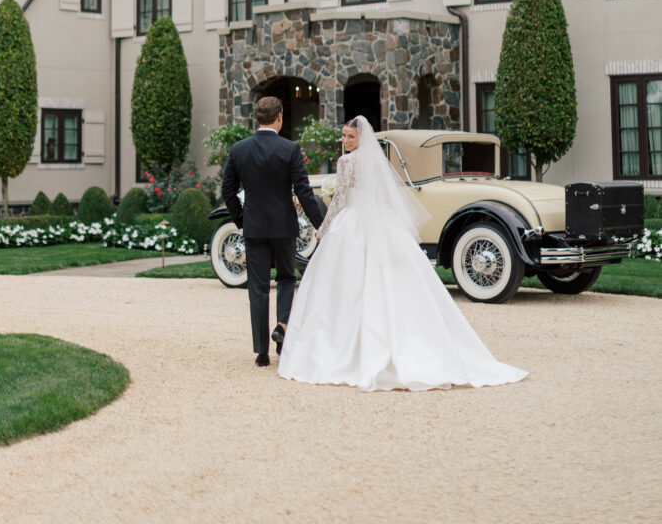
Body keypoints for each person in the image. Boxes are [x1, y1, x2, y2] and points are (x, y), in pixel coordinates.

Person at [278, 115, 528, 392]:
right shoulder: (375, 161)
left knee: (346, 284)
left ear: (361, 138)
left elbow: (338, 201)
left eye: (349, 136)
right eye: (343, 136)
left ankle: (348, 346)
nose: (345, 141)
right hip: (379, 221)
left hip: (352, 223)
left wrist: (323, 230)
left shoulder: (346, 162)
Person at [221, 96, 325, 367]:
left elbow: (227, 191)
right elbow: (303, 191)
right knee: (287, 278)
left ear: (259, 117)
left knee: (257, 287)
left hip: (254, 228)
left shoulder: (239, 149)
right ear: (279, 117)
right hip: (283, 227)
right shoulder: (290, 148)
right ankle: (282, 333)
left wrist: (241, 219)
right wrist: (321, 224)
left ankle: (261, 351)